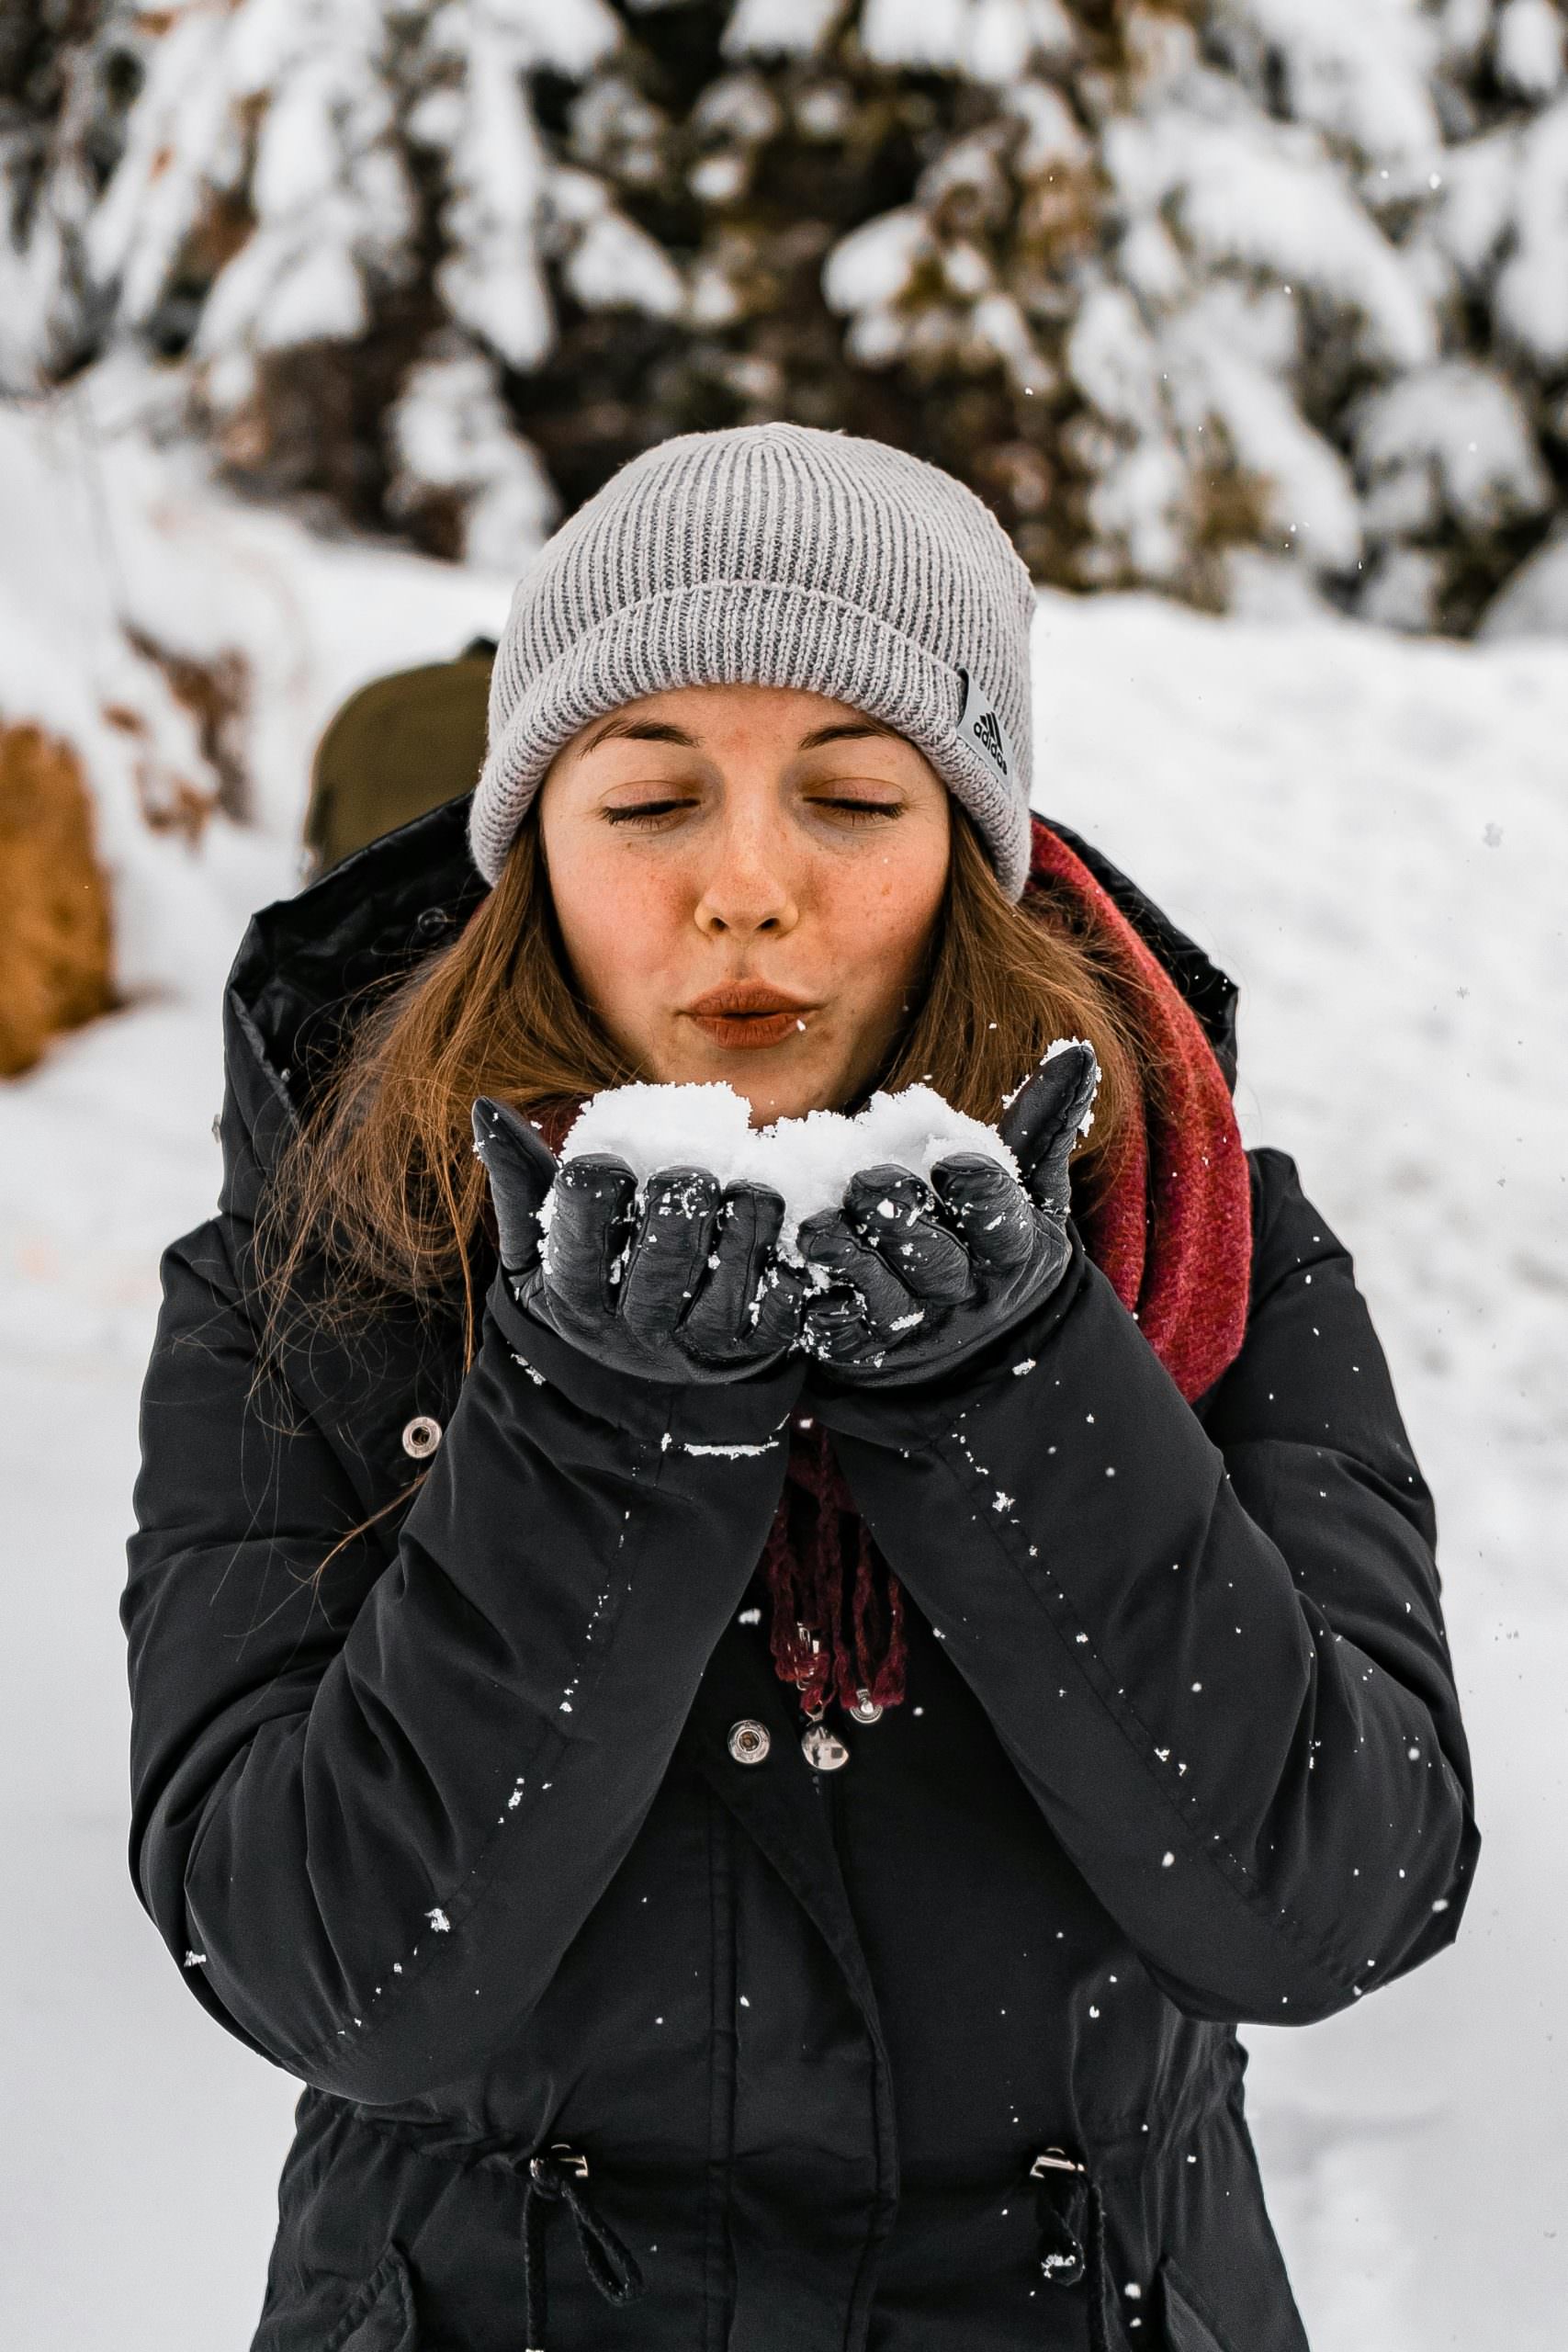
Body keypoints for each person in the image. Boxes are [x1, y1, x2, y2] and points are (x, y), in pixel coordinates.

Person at [122, 423, 1478, 2352]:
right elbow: (328, 1972)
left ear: (968, 847)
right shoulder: (323, 1267)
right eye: (648, 798)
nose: (745, 887)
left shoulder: (1207, 1249)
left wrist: (1015, 1382)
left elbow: (1321, 1901)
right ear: (531, 852)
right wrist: (598, 1423)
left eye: (848, 797)